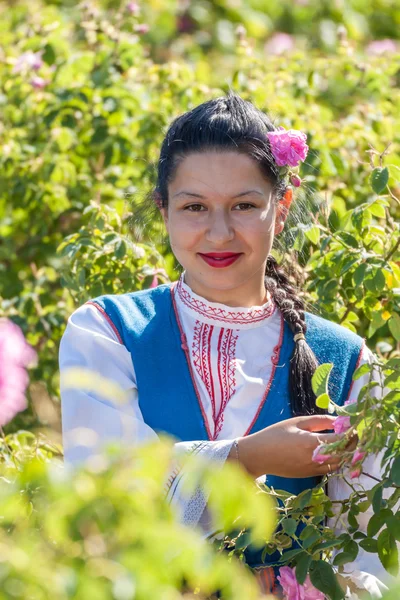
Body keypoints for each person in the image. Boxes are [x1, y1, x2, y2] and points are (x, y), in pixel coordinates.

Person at [59, 91, 390, 598]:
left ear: (280, 210)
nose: (218, 232)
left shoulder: (346, 362)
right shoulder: (107, 330)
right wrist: (247, 457)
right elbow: (107, 498)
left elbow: (371, 558)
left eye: (243, 205)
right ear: (163, 211)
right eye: (194, 206)